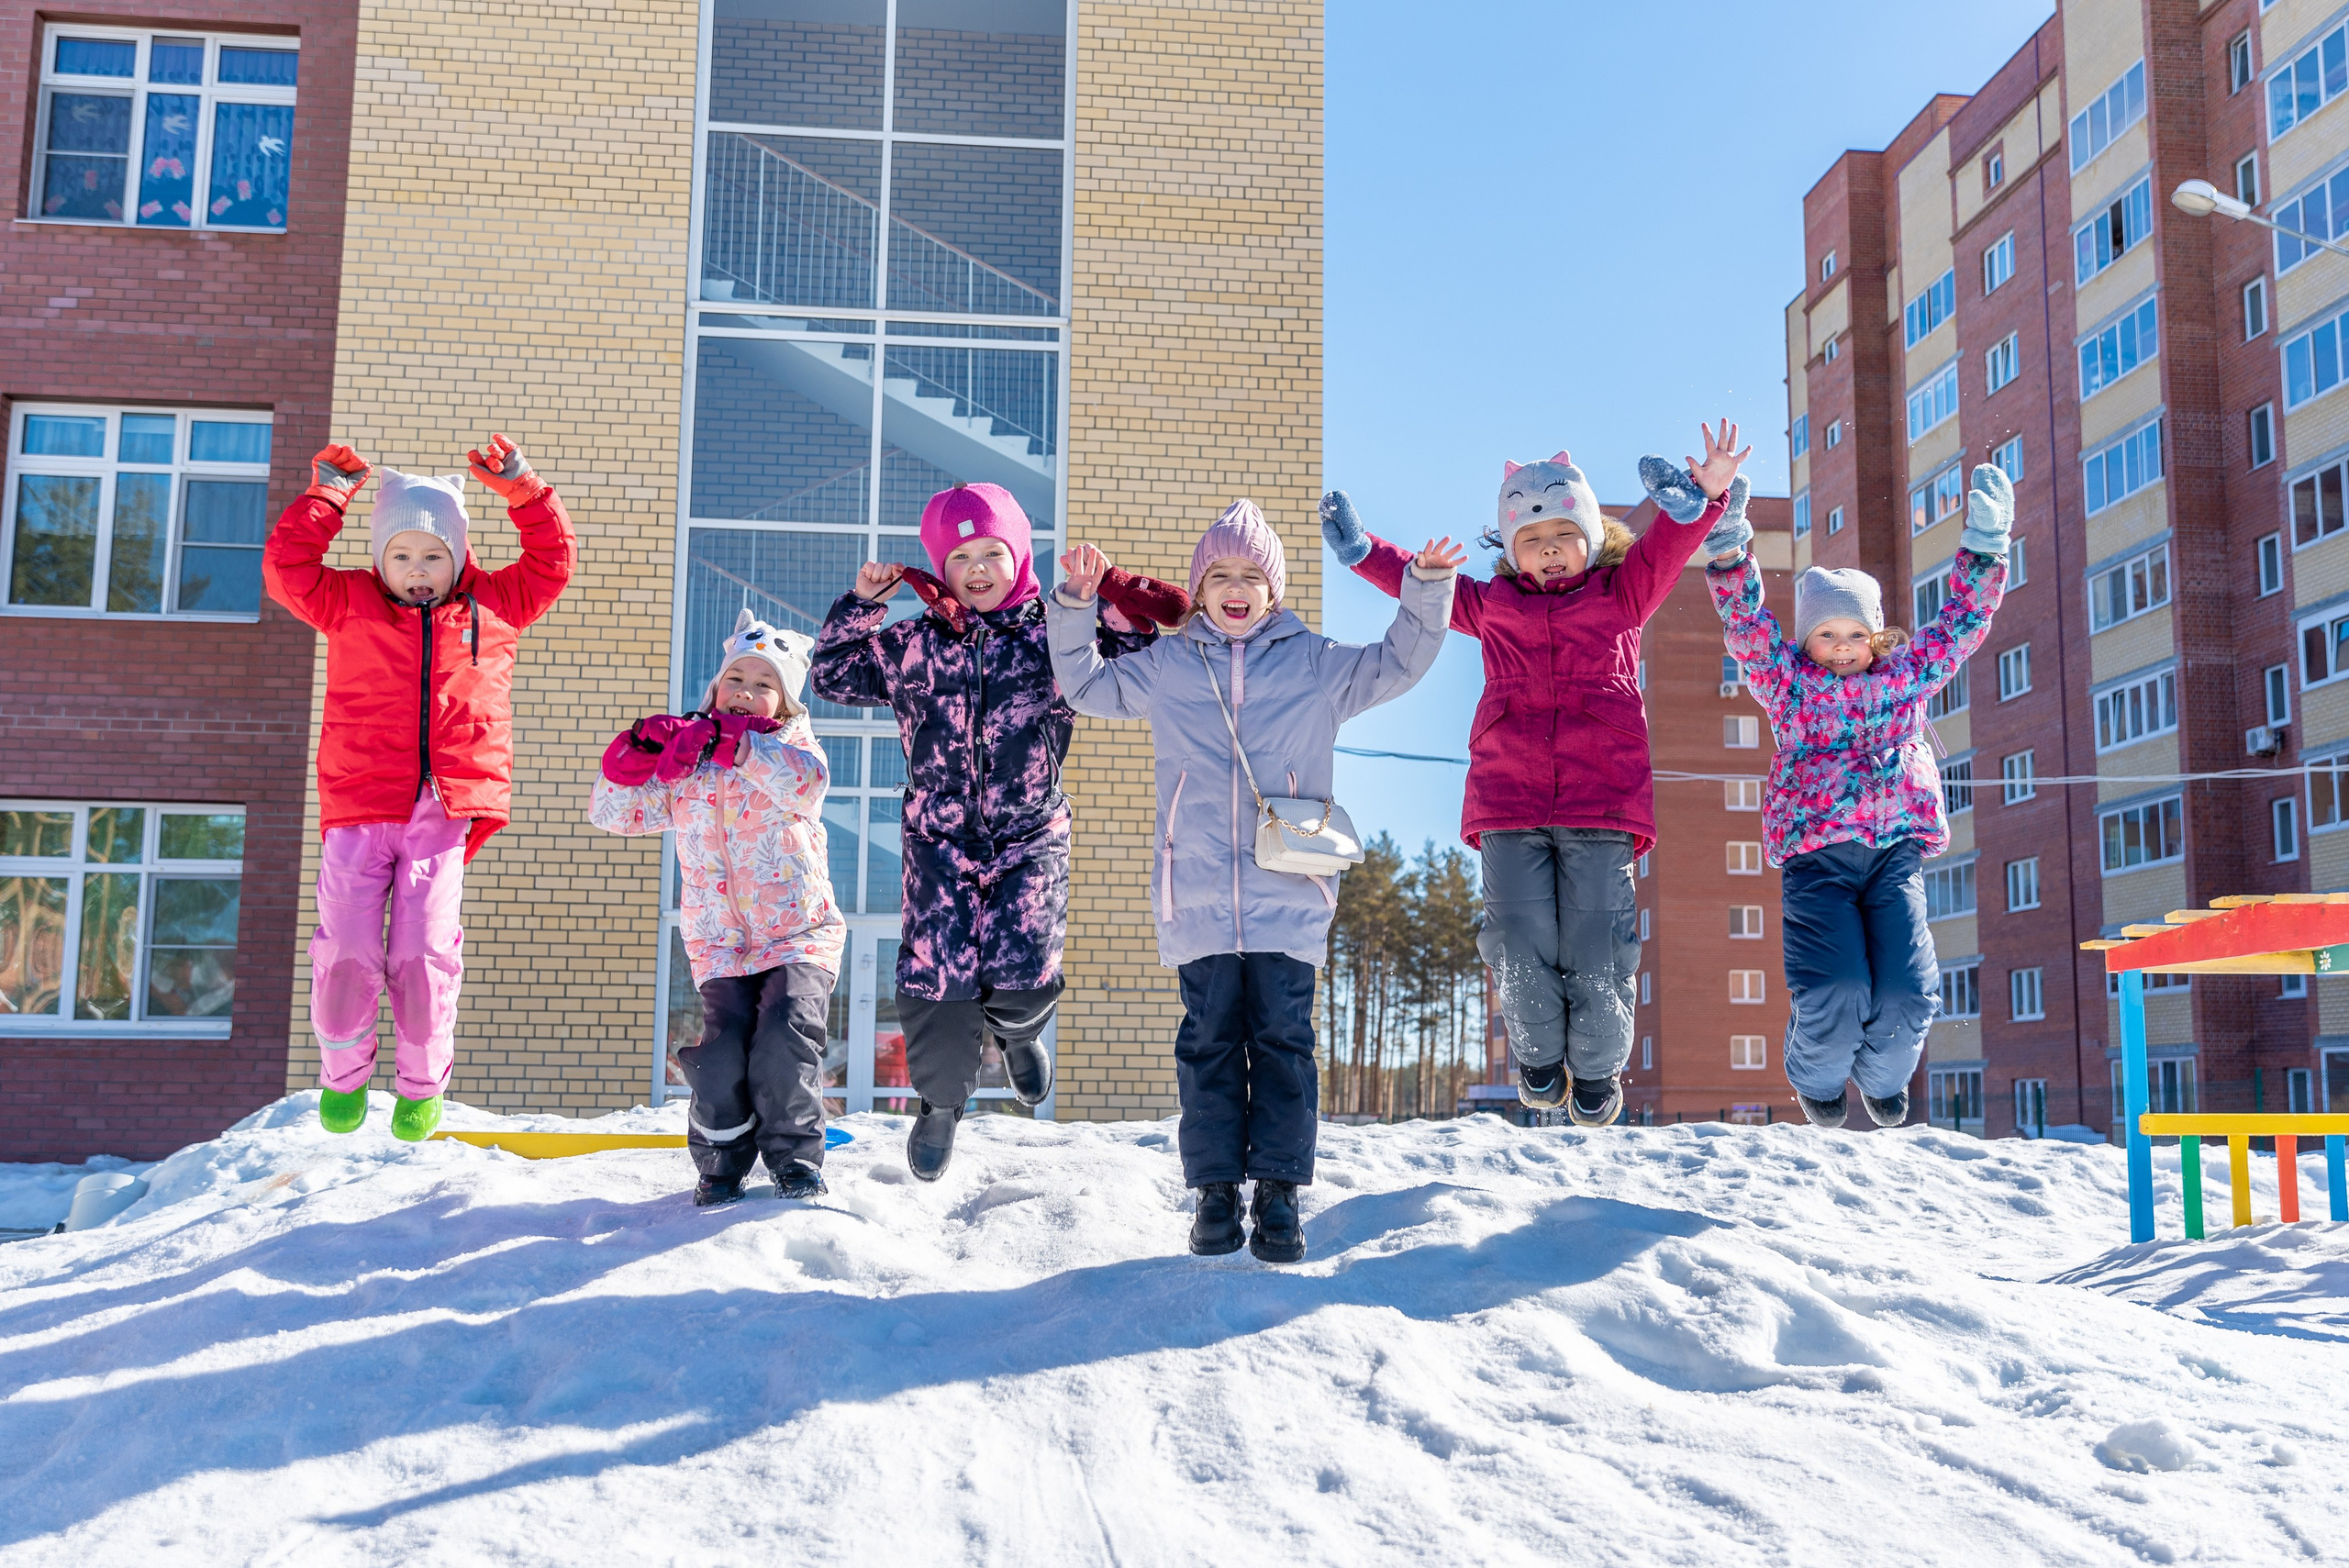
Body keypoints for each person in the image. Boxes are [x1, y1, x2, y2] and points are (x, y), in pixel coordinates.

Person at [1048, 501, 1459, 1264]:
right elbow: (1086, 687)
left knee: (1282, 1043)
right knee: (1206, 1044)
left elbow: (1396, 662)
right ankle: (1212, 1194)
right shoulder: (1171, 665)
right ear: (1200, 589)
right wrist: (1073, 607)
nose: (1235, 588)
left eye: (1251, 575)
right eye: (1219, 575)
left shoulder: (1314, 661)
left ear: (1274, 589)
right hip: (1198, 895)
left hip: (1290, 894)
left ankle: (1277, 1194)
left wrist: (1425, 591)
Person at [1319, 424, 1750, 1127]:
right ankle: (1541, 1061)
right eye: (1531, 538)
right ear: (1511, 550)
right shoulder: (1494, 607)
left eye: (1562, 534)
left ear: (1588, 537)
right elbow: (1426, 586)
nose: (1548, 549)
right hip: (1509, 802)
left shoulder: (1622, 595)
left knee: (1596, 947)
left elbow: (1669, 547)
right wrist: (1365, 553)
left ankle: (1598, 1070)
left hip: (1602, 805)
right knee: (1517, 940)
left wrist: (1708, 496)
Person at [809, 482, 1188, 1181]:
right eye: (960, 557)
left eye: (992, 551)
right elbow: (831, 674)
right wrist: (861, 607)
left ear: (1018, 554)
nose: (977, 567)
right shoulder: (914, 644)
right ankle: (941, 1104)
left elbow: (1136, 647)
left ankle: (1018, 1034)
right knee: (936, 980)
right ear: (940, 567)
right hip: (938, 839)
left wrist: (1104, 592)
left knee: (1021, 970)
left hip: (1031, 832)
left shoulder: (1054, 628)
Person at [262, 437, 575, 1141]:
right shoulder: (346, 601)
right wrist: (326, 498)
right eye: (401, 556)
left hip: (444, 808)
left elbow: (553, 559)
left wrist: (525, 490)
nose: (418, 571)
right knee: (344, 946)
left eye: (434, 556)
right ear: (380, 559)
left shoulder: (496, 604)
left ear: (460, 557)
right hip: (360, 803)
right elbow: (287, 569)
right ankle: (343, 1076)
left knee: (424, 949)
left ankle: (421, 1083)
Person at [1705, 464, 2013, 1128]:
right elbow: (1746, 626)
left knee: (1909, 991)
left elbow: (1962, 622)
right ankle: (1815, 1074)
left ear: (1875, 638)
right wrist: (1730, 542)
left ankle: (1882, 1077)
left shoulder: (1906, 676)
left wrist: (1985, 546)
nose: (1841, 648)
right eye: (1826, 635)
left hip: (1893, 857)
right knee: (1838, 986)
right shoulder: (1788, 684)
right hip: (1819, 862)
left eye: (1854, 636)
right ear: (1807, 639)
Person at [590, 611, 845, 1205]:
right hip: (720, 944)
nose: (747, 691)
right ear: (715, 689)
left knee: (783, 1041)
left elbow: (808, 784)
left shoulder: (790, 747)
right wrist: (633, 754)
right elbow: (612, 813)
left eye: (765, 682)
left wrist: (739, 745)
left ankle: (796, 1164)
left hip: (797, 934)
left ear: (783, 703)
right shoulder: (690, 760)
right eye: (737, 678)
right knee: (720, 1058)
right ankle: (721, 1166)